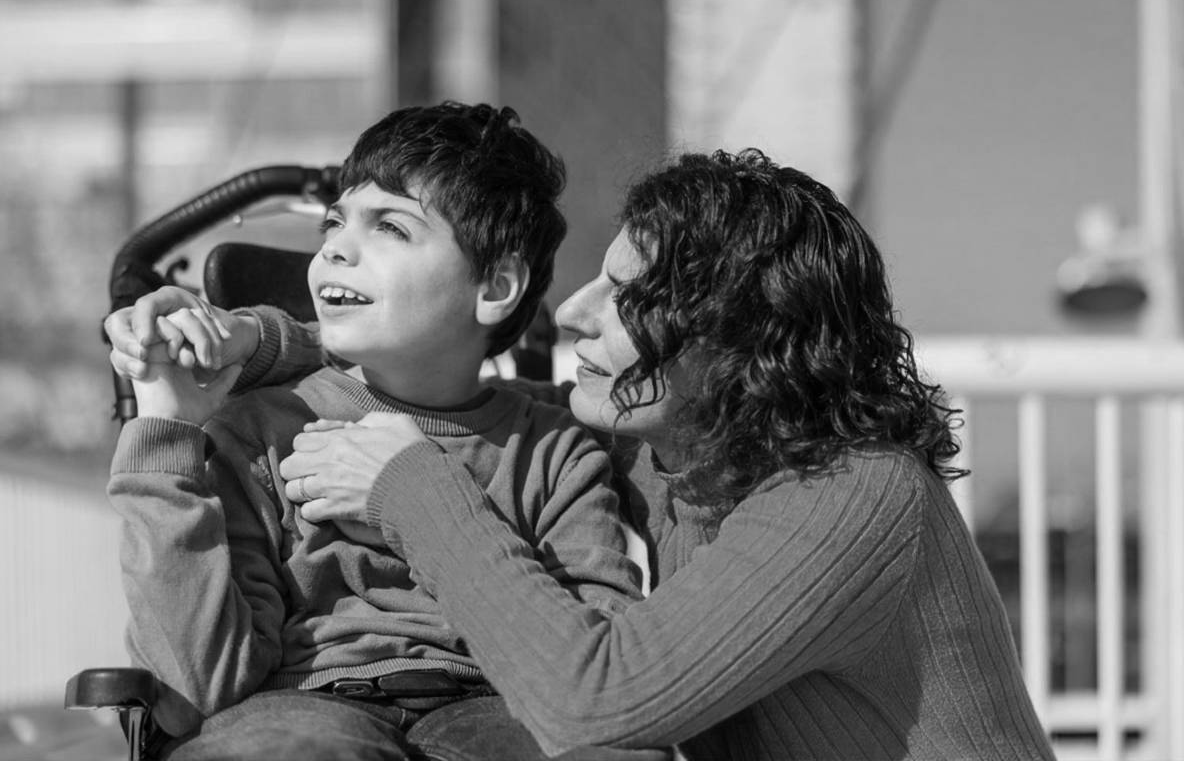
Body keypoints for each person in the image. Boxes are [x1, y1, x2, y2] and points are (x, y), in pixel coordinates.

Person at [109, 149, 1057, 760]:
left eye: (624, 299)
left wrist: (406, 484)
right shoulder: (688, 450)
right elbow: (440, 378)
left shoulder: (853, 497)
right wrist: (259, 344)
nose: (570, 314)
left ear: (729, 345)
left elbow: (599, 705)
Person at [105, 102, 657, 761]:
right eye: (334, 223)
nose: (335, 245)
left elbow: (601, 652)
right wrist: (165, 425)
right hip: (302, 702)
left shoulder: (554, 451)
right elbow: (203, 680)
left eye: (391, 228)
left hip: (496, 703)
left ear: (496, 286)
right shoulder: (261, 429)